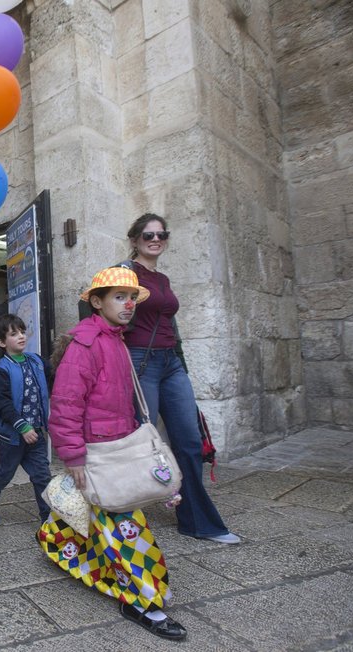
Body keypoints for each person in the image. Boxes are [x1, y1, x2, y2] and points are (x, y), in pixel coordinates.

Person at [42, 266, 186, 641]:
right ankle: (143, 602)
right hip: (98, 454)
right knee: (130, 533)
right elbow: (66, 405)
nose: (128, 305)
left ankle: (56, 542)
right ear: (96, 301)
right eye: (119, 297)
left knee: (103, 518)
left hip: (117, 450)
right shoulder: (85, 344)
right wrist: (73, 457)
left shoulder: (118, 339)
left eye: (132, 298)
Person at [124, 213, 240, 544]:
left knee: (189, 441)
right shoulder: (126, 272)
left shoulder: (161, 279)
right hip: (140, 362)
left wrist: (181, 363)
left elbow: (169, 326)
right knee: (142, 443)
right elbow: (97, 308)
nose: (155, 239)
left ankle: (198, 522)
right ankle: (125, 523)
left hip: (170, 363)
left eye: (162, 233)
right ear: (135, 239)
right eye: (148, 235)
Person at [0, 314, 52, 526]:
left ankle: (49, 518)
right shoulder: (1, 369)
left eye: (22, 331)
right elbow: (4, 404)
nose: (21, 336)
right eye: (13, 333)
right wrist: (22, 426)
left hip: (36, 432)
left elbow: (54, 378)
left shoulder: (36, 361)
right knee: (6, 472)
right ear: (1, 342)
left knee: (42, 475)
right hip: (13, 435)